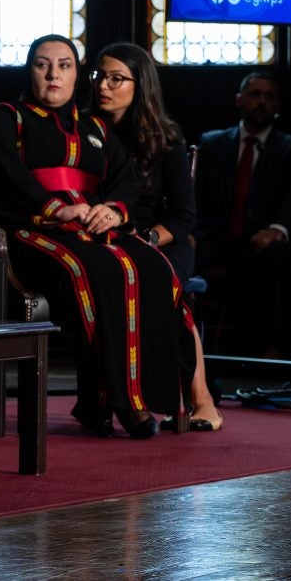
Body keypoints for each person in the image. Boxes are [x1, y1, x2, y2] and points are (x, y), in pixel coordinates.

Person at [0, 34, 193, 439]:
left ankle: (155, 396)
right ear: (30, 70)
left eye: (64, 65)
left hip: (92, 228)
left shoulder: (94, 126)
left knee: (154, 266)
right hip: (31, 231)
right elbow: (6, 173)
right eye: (43, 64)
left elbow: (125, 178)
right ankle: (113, 401)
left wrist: (112, 210)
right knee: (91, 269)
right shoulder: (6, 116)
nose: (53, 74)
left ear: (77, 74)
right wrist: (56, 208)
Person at [91, 42, 222, 431]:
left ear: (139, 85)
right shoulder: (83, 131)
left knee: (167, 288)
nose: (104, 86)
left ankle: (203, 401)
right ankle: (118, 397)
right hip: (104, 241)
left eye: (117, 79)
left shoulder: (165, 138)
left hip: (160, 239)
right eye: (100, 76)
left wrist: (147, 239)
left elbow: (184, 216)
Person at [194, 70, 291, 357]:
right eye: (255, 94)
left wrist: (277, 229)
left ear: (278, 106)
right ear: (239, 100)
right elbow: (195, 196)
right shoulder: (213, 143)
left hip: (259, 239)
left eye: (270, 97)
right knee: (176, 254)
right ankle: (175, 346)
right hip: (215, 237)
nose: (262, 102)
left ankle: (275, 349)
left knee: (281, 256)